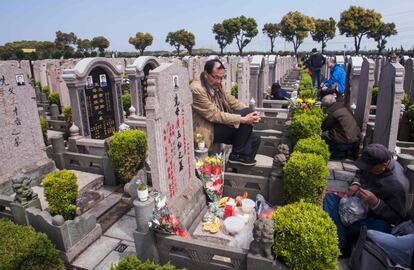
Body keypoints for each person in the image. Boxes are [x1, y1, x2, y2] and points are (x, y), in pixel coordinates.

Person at [323, 143, 409, 254]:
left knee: (382, 227)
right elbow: (360, 172)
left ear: (383, 165)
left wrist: (376, 203)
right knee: (329, 198)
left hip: (372, 217)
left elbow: (397, 219)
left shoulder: (397, 185)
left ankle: (340, 239)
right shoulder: (374, 164)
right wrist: (356, 183)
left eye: (370, 168)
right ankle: (343, 236)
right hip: (357, 207)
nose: (366, 169)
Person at [190, 59, 261, 166]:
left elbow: (232, 101)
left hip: (220, 124)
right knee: (244, 122)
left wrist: (253, 114)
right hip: (209, 128)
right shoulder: (197, 89)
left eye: (221, 78)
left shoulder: (218, 85)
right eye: (216, 77)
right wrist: (244, 119)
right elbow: (214, 115)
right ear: (206, 74)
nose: (219, 81)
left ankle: (238, 163)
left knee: (255, 139)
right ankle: (236, 155)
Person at [321, 94, 361, 159]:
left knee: (323, 135)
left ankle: (337, 154)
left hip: (345, 144)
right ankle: (348, 153)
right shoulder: (345, 107)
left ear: (325, 106)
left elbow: (324, 127)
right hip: (356, 142)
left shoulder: (332, 113)